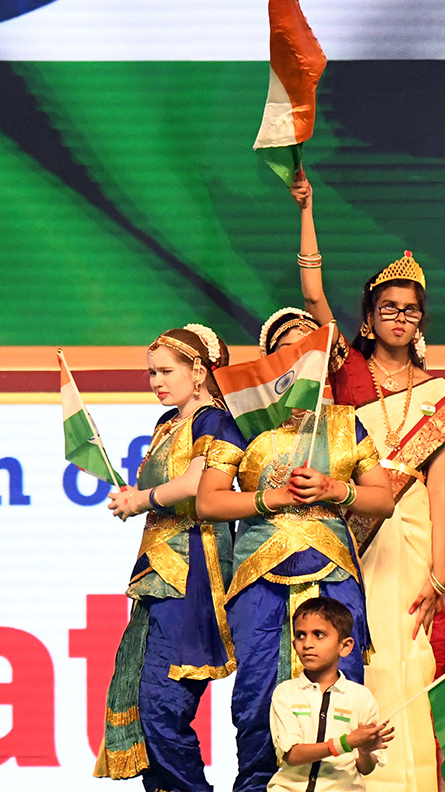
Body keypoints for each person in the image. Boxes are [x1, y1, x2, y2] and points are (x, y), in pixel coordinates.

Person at [292, 175, 445, 792]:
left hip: (414, 541)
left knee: (410, 657)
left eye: (412, 310)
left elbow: (438, 482)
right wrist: (309, 208)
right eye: (389, 308)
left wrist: (438, 570)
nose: (401, 318)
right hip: (353, 534)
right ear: (369, 318)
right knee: (358, 650)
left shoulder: (438, 398)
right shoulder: (346, 370)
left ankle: (413, 781)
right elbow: (313, 293)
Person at [196, 307, 394, 792]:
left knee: (341, 689)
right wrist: (271, 497)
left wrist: (333, 489)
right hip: (260, 572)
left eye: (315, 346)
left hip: (332, 570)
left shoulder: (347, 424)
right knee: (258, 691)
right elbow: (207, 499)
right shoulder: (241, 423)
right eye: (292, 347)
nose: (306, 355)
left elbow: (383, 497)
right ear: (273, 363)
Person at [94, 325, 247, 792]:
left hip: (193, 571)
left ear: (198, 371)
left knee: (163, 708)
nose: (156, 381)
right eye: (151, 372)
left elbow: (200, 484)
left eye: (166, 371)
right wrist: (136, 496)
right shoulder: (166, 426)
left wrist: (141, 499)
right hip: (156, 575)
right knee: (142, 709)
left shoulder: (215, 421)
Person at [267, 596, 394, 792]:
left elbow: (365, 768)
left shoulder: (361, 697)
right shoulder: (285, 693)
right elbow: (292, 755)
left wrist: (365, 751)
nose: (307, 643)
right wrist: (347, 742)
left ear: (345, 646)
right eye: (301, 635)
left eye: (318, 634)